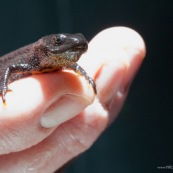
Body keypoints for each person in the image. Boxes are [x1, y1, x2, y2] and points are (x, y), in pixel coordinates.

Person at [0, 27, 145, 172]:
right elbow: (11, 68)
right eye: (58, 41)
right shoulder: (33, 60)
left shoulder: (60, 60)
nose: (74, 45)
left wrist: (83, 73)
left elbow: (70, 63)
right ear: (44, 46)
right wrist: (3, 88)